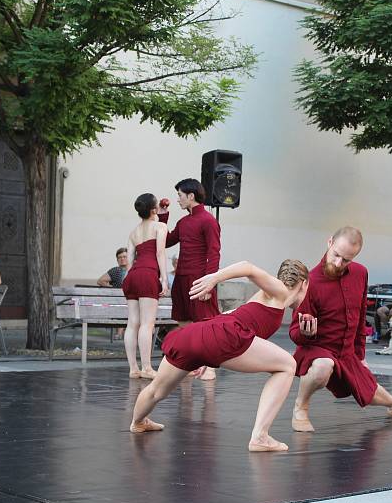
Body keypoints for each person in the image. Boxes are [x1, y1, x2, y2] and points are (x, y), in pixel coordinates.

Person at [130, 259, 309, 452]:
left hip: (200, 333)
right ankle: (261, 436)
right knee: (288, 365)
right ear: (304, 283)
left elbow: (231, 315)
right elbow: (248, 267)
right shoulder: (281, 291)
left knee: (157, 391)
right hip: (223, 337)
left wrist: (207, 355)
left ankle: (138, 422)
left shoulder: (262, 297)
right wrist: (214, 278)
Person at [291, 227, 392, 434]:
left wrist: (360, 355)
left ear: (355, 256)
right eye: (336, 255)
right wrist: (305, 333)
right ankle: (300, 408)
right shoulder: (310, 281)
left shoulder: (360, 273)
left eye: (346, 260)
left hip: (346, 352)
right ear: (329, 242)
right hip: (317, 348)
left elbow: (360, 315)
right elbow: (294, 332)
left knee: (369, 391)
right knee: (323, 367)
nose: (338, 264)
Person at [161, 178, 221, 380]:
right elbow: (167, 241)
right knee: (184, 322)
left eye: (180, 195)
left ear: (191, 196)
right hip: (181, 279)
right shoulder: (184, 221)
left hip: (200, 279)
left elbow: (214, 253)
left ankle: (210, 367)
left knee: (206, 323)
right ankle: (192, 363)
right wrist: (162, 217)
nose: (178, 199)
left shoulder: (208, 220)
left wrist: (209, 284)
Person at [121, 193, 169, 379]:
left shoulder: (133, 232)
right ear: (154, 210)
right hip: (148, 273)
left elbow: (129, 261)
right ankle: (147, 367)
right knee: (147, 324)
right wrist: (164, 279)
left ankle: (133, 368)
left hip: (132, 275)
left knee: (132, 323)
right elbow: (160, 253)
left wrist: (127, 279)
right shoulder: (160, 227)